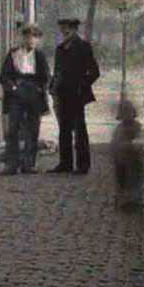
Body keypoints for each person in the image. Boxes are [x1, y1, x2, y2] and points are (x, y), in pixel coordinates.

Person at [48, 16, 100, 174]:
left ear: (75, 29)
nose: (65, 31)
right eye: (63, 29)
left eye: (68, 28)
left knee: (79, 129)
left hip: (77, 94)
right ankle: (65, 163)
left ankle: (83, 165)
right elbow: (57, 71)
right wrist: (53, 88)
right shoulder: (60, 49)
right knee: (64, 129)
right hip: (62, 93)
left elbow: (94, 72)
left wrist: (82, 85)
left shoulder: (83, 47)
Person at [0, 22, 50, 174]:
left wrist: (39, 88)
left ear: (38, 40)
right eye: (28, 37)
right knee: (13, 129)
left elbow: (46, 76)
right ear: (23, 38)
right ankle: (11, 164)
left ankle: (29, 163)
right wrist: (13, 87)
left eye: (35, 38)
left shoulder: (39, 56)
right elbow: (4, 76)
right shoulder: (14, 54)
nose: (31, 41)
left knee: (32, 129)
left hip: (33, 93)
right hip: (16, 94)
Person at [110, 98, 144, 209]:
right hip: (122, 159)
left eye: (128, 112)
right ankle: (124, 198)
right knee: (123, 179)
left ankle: (133, 198)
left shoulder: (137, 126)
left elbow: (141, 141)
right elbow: (116, 145)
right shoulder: (119, 129)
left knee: (134, 178)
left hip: (134, 158)